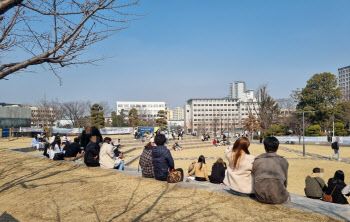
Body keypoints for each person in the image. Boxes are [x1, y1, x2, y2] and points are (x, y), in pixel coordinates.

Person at [252, 137, 289, 204]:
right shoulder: (283, 161)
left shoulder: (257, 160)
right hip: (279, 197)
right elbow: (285, 181)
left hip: (260, 197)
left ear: (264, 147)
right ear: (278, 147)